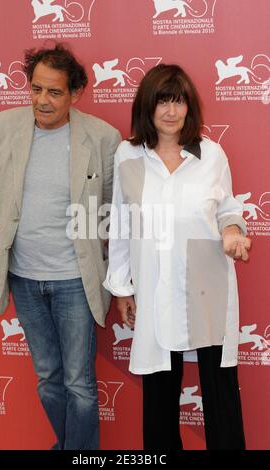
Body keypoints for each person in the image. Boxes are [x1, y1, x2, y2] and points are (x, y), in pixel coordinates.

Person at [103, 64, 251, 450]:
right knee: (159, 396)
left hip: (208, 284)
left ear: (190, 106)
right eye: (162, 101)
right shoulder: (127, 154)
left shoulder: (211, 154)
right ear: (147, 107)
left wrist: (233, 230)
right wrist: (122, 287)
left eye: (179, 101)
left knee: (221, 395)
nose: (171, 111)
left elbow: (227, 207)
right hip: (155, 286)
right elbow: (120, 223)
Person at [0, 43, 121, 450]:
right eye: (36, 89)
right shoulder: (0, 127)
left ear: (75, 94)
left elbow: (110, 209)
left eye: (54, 92)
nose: (42, 100)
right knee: (48, 378)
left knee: (78, 382)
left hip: (75, 280)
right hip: (24, 277)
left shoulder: (102, 137)